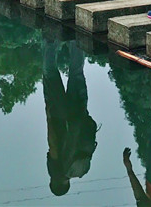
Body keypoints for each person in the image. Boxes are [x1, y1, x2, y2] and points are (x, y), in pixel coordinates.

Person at [42, 38, 98, 197]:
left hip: (80, 112)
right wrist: (48, 115)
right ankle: (51, 37)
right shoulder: (56, 171)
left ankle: (75, 38)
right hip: (59, 113)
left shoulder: (80, 169)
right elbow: (53, 144)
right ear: (54, 183)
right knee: (49, 72)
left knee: (76, 72)